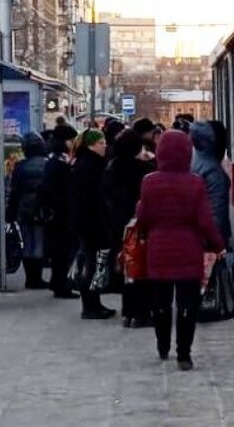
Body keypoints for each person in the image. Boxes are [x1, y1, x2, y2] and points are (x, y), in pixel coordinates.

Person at [137, 131, 224, 371]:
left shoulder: (149, 182)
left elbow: (143, 218)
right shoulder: (195, 182)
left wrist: (145, 235)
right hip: (189, 250)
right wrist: (218, 245)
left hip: (158, 250)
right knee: (188, 305)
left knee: (161, 303)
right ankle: (184, 354)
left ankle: (162, 345)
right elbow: (205, 221)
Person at [103, 129, 155, 327]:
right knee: (143, 270)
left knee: (128, 271)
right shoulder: (141, 169)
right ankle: (142, 313)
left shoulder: (112, 167)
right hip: (139, 226)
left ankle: (129, 312)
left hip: (118, 226)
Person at [69, 129, 117, 320]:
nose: (105, 145)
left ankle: (94, 303)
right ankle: (90, 306)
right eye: (100, 142)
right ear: (90, 145)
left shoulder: (89, 163)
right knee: (92, 263)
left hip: (89, 222)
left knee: (95, 263)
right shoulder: (88, 167)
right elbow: (91, 199)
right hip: (91, 223)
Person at [41, 123, 80, 299]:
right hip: (60, 213)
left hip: (58, 212)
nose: (73, 143)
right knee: (62, 251)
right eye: (72, 140)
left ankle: (59, 282)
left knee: (61, 250)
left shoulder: (55, 160)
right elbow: (53, 188)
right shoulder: (58, 162)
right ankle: (60, 284)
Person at [8, 131, 49, 289]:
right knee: (38, 243)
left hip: (24, 208)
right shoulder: (46, 164)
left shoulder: (20, 166)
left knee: (27, 242)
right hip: (41, 209)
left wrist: (10, 213)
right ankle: (37, 278)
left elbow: (14, 191)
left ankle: (30, 277)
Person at [190, 121, 231, 246]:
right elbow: (218, 212)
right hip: (208, 243)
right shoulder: (213, 171)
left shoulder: (195, 161)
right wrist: (217, 243)